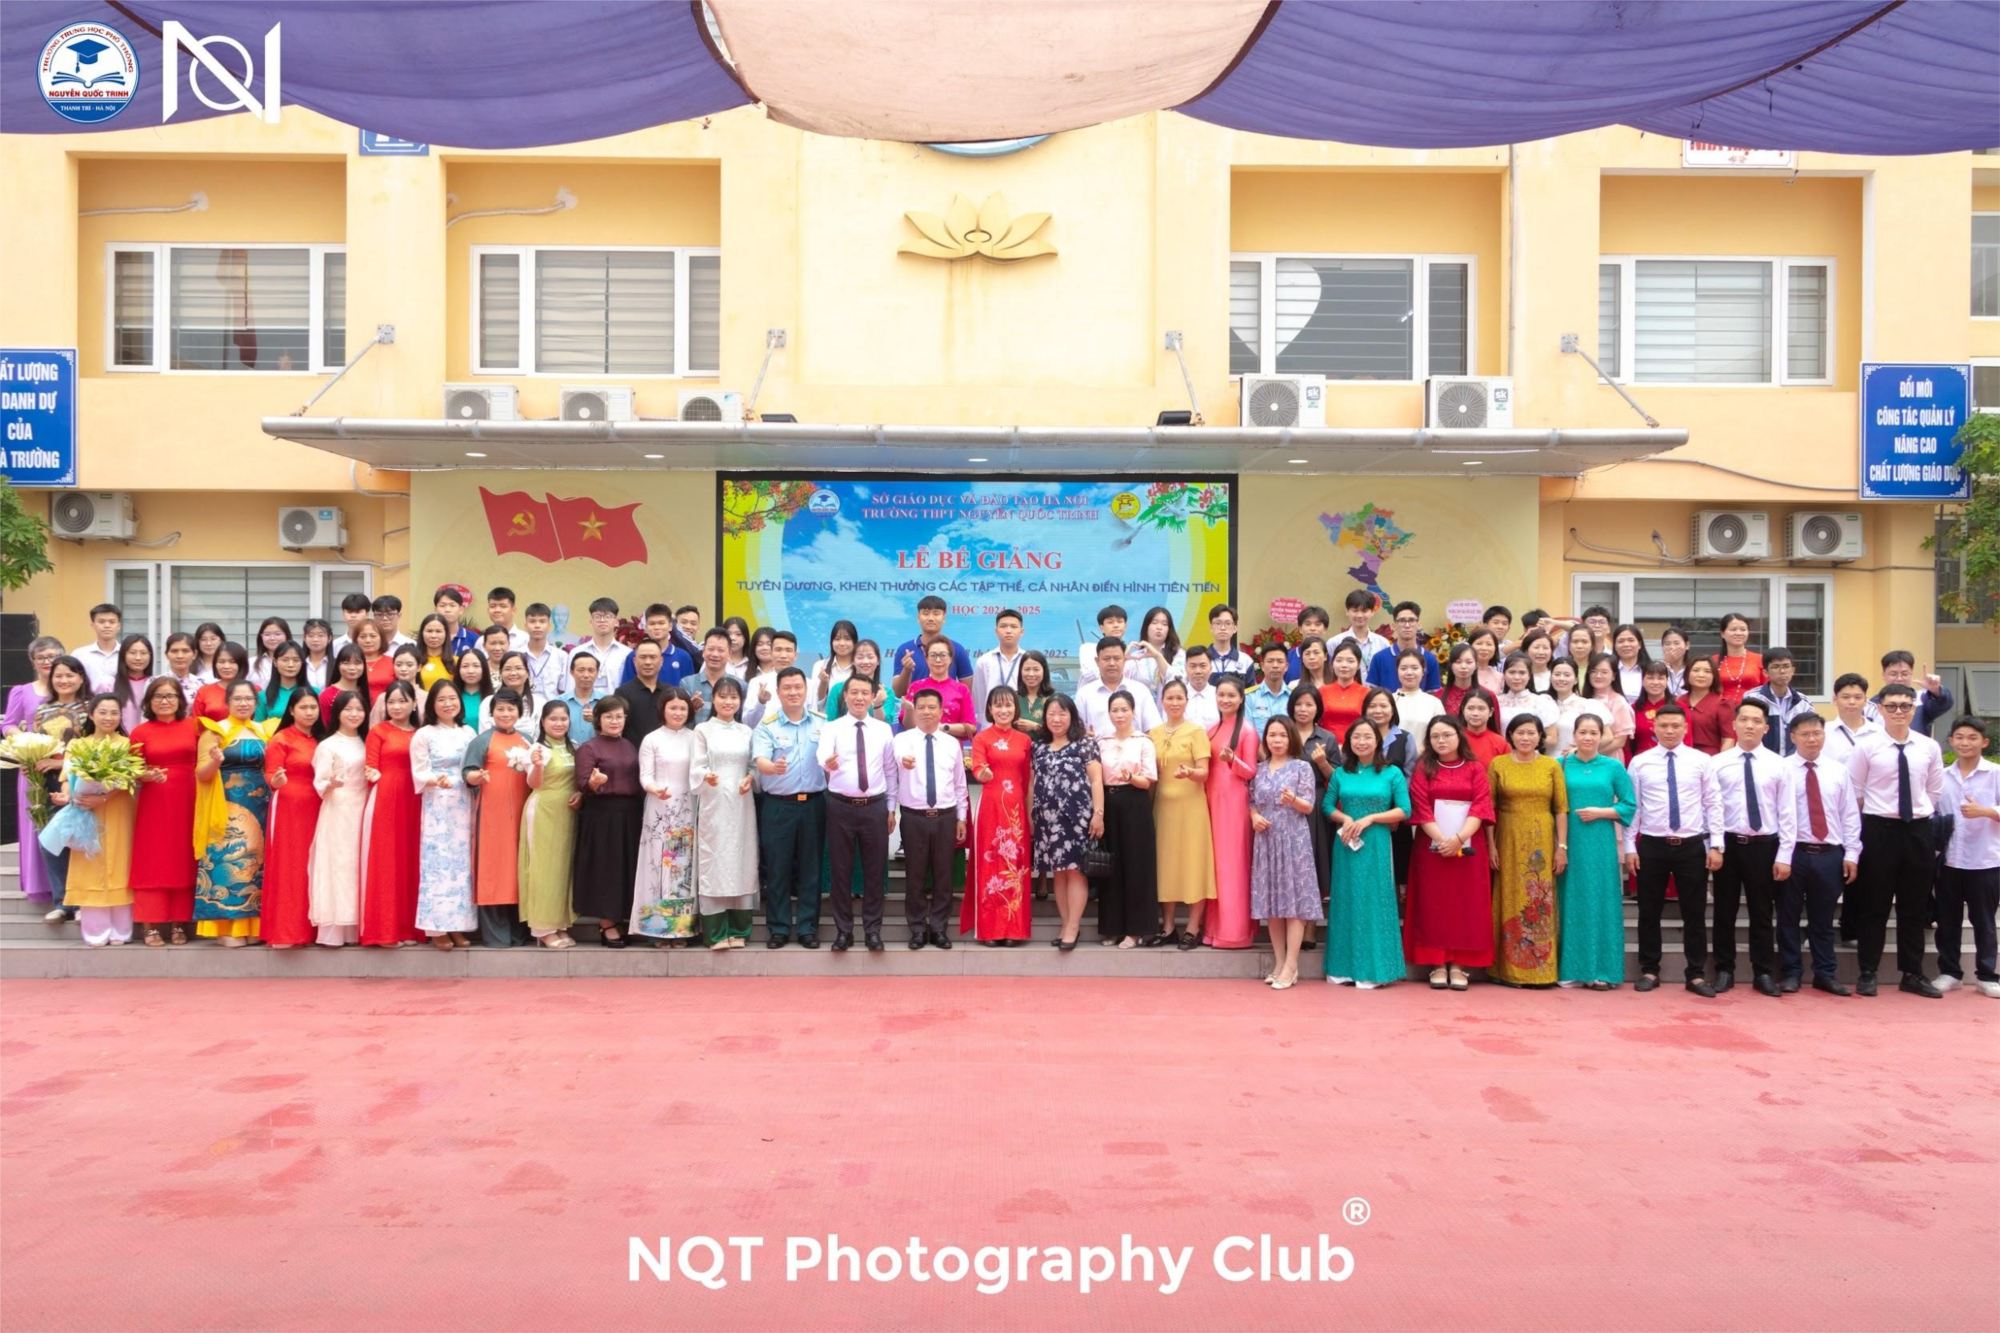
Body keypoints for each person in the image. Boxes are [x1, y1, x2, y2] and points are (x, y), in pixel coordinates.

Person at [1847, 683, 1946, 998]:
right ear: (1880, 709)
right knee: (1873, 905)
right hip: (1879, 830)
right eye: (1891, 706)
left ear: (1914, 709)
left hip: (1917, 830)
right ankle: (1868, 971)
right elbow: (1855, 792)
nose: (1899, 711)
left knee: (1913, 907)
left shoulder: (1928, 747)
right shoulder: (1866, 746)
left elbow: (1933, 790)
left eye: (1905, 705)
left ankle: (1912, 973)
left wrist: (1916, 815)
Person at [1621, 704, 1723, 995]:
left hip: (1691, 845)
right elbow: (1634, 807)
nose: (1669, 731)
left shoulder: (1702, 761)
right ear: (1654, 728)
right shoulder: (1640, 762)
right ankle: (1649, 970)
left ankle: (1696, 974)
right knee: (1648, 911)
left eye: (1675, 726)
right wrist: (1630, 846)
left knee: (1694, 913)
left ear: (1685, 728)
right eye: (1663, 725)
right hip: (1652, 845)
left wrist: (1716, 844)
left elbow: (1713, 802)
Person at [1710, 699, 1794, 997]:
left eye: (1756, 721)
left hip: (1764, 847)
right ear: (1734, 724)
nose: (1749, 725)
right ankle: (1724, 970)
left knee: (1762, 912)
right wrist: (1714, 845)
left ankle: (1763, 972)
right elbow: (1711, 808)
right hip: (1729, 845)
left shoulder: (1779, 764)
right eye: (1744, 719)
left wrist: (1785, 855)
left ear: (1766, 728)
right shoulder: (1717, 763)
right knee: (1724, 911)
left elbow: (1787, 812)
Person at [1406, 715, 1497, 991]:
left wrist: (1458, 839)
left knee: (1466, 904)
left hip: (1468, 847)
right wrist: (1442, 839)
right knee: (1433, 903)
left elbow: (1481, 806)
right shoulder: (1424, 768)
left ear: (1459, 736)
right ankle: (1436, 963)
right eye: (1435, 736)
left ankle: (1459, 964)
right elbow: (1420, 807)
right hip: (1432, 847)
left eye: (1446, 735)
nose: (1441, 741)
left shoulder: (1475, 768)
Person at [1772, 712, 1859, 996]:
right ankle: (1791, 973)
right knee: (1788, 916)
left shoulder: (1838, 771)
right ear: (1793, 737)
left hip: (1829, 854)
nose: (1812, 739)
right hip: (1793, 853)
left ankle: (1825, 973)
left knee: (1823, 919)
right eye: (1805, 734)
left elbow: (1849, 814)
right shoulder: (1782, 769)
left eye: (1817, 733)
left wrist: (1852, 853)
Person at [1322, 717, 1410, 989]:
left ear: (1377, 741)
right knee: (1346, 901)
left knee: (1375, 902)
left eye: (1367, 737)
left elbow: (1404, 810)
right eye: (1356, 737)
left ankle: (1374, 970)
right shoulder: (1341, 773)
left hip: (1377, 844)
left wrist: (1371, 818)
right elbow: (1327, 806)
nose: (1361, 742)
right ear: (1349, 742)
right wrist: (1345, 818)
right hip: (1347, 843)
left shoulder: (1392, 773)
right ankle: (1342, 969)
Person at [193, 679, 279, 947]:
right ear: (227, 702)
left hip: (261, 804)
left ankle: (254, 923)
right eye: (237, 699)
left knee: (256, 864)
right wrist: (215, 762)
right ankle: (225, 926)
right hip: (226, 806)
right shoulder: (214, 731)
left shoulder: (264, 731)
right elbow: (201, 774)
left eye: (248, 699)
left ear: (256, 703)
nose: (243, 703)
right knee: (227, 859)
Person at [1487, 714, 1568, 986]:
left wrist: (1561, 847)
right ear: (1510, 735)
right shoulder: (1498, 764)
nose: (1525, 738)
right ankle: (1507, 970)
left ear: (1540, 737)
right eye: (1520, 732)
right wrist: (1491, 845)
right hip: (1508, 837)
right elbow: (1489, 808)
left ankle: (1539, 969)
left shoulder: (1551, 765)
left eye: (1531, 733)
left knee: (1538, 898)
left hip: (1541, 838)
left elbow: (1561, 808)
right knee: (1509, 895)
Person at [1557, 714, 1635, 989]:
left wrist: (1602, 812)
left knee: (1601, 901)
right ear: (1574, 735)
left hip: (1600, 842)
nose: (1588, 737)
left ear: (1602, 736)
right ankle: (1572, 968)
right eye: (1583, 732)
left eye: (1593, 733)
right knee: (1571, 900)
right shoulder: (1560, 764)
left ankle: (1603, 969)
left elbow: (1629, 804)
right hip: (1568, 841)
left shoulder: (1613, 767)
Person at [819, 672, 896, 952]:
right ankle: (844, 931)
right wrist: (827, 763)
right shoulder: (832, 728)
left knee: (875, 871)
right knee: (840, 872)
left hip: (875, 807)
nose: (859, 697)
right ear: (845, 696)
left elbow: (890, 770)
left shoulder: (883, 730)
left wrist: (891, 808)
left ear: (873, 696)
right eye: (854, 692)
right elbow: (822, 755)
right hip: (840, 806)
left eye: (865, 692)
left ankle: (873, 931)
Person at [52, 695, 136, 945]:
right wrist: (66, 795)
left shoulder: (127, 744)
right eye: (103, 712)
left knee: (120, 861)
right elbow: (67, 777)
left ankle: (122, 930)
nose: (108, 717)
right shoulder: (78, 745)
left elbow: (128, 779)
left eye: (114, 713)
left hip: (119, 809)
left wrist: (105, 797)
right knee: (89, 863)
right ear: (91, 715)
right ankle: (95, 930)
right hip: (86, 811)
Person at [753, 667, 829, 947]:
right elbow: (760, 760)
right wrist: (772, 767)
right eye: (787, 687)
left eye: (798, 687)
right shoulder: (767, 726)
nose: (793, 692)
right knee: (777, 867)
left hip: (814, 804)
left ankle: (808, 928)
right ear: (778, 691)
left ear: (806, 690)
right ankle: (779, 928)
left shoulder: (824, 723)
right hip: (778, 806)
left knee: (811, 868)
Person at [894, 685, 970, 949]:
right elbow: (895, 768)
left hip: (945, 817)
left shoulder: (951, 744)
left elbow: (960, 784)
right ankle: (917, 928)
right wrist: (904, 761)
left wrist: (961, 818)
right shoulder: (902, 740)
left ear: (941, 712)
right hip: (913, 817)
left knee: (943, 876)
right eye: (921, 707)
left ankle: (938, 928)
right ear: (914, 710)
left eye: (932, 707)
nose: (926, 712)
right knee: (914, 875)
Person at [1250, 717, 1322, 991]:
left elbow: (1309, 806)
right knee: (1273, 905)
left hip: (1293, 841)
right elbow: (1252, 801)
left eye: (1282, 735)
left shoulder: (1302, 767)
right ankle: (1279, 962)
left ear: (1291, 738)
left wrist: (1293, 799)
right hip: (1266, 840)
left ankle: (1292, 964)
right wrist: (1254, 817)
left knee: (1294, 904)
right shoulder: (1259, 770)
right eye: (1272, 735)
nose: (1277, 740)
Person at [128, 677, 200, 946]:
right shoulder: (140, 732)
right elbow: (132, 769)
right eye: (158, 696)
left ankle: (180, 922)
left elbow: (204, 759)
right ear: (149, 702)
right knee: (153, 858)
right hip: (155, 801)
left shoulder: (194, 727)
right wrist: (146, 775)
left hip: (189, 797)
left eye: (170, 696)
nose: (165, 701)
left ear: (180, 700)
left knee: (184, 856)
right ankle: (150, 924)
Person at [1031, 695, 1104, 951]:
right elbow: (1031, 784)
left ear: (1072, 716)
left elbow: (1096, 780)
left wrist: (1098, 813)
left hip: (1076, 818)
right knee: (1058, 872)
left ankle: (1074, 926)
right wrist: (1031, 816)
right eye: (1051, 714)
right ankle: (1065, 923)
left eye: (1062, 713)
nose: (1056, 719)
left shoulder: (1084, 744)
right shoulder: (1039, 747)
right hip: (1046, 820)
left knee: (1075, 871)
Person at [690, 677, 758, 948]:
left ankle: (739, 930)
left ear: (740, 701)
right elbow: (696, 766)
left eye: (734, 697)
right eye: (723, 696)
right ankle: (716, 932)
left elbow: (753, 765)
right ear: (714, 699)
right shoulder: (702, 730)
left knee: (742, 859)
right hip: (714, 802)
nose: (728, 702)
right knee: (715, 860)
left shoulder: (747, 731)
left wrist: (750, 778)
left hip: (741, 803)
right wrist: (706, 775)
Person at [573, 694, 645, 948]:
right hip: (603, 816)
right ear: (598, 719)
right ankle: (606, 923)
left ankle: (621, 917)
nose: (614, 721)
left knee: (626, 868)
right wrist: (593, 783)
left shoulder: (629, 745)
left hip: (630, 814)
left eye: (619, 716)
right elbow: (582, 783)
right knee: (606, 869)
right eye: (608, 716)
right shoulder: (589, 748)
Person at [964, 685, 1034, 945]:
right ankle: (989, 930)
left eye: (1008, 705)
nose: (1003, 710)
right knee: (990, 864)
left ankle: (1014, 929)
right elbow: (978, 767)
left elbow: (1027, 780)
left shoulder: (1024, 740)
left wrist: (1029, 814)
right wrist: (982, 774)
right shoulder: (982, 738)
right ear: (990, 709)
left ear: (1015, 708)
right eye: (998, 705)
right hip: (991, 807)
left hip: (1016, 809)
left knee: (1015, 867)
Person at [410, 680, 478, 950]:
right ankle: (436, 927)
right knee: (438, 864)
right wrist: (435, 780)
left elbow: (474, 764)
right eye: (441, 700)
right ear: (432, 705)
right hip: (438, 801)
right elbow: (418, 771)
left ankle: (458, 925)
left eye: (452, 698)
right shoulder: (424, 734)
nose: (448, 704)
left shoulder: (468, 732)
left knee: (462, 865)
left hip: (464, 801)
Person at [460, 688, 530, 947]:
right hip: (492, 816)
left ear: (519, 713)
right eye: (500, 709)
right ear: (491, 713)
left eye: (511, 709)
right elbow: (467, 773)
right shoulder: (482, 741)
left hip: (522, 816)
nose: (505, 713)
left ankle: (519, 932)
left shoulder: (528, 741)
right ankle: (496, 935)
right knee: (494, 869)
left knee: (518, 870)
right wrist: (475, 777)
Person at [1149, 679, 1216, 948]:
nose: (1174, 702)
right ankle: (1167, 927)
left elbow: (1204, 772)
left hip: (1191, 809)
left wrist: (1190, 773)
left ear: (1187, 701)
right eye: (1170, 698)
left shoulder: (1196, 732)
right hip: (1163, 808)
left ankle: (1192, 926)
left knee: (1193, 863)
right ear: (1162, 701)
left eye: (1179, 698)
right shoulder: (1153, 733)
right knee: (1165, 865)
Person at [1936, 717, 2000, 998]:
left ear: (1984, 742)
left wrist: (1986, 811)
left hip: (1985, 860)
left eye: (1972, 737)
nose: (1965, 743)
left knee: (1984, 921)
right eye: (1959, 737)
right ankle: (1950, 973)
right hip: (1949, 860)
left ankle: (1986, 976)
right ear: (1951, 741)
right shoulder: (1941, 776)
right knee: (1947, 921)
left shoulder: (1995, 774)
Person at [632, 688, 700, 946]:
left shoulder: (695, 738)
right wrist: (654, 789)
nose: (678, 713)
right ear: (662, 710)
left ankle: (680, 930)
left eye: (682, 708)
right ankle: (657, 930)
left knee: (681, 869)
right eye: (673, 708)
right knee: (658, 866)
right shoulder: (651, 739)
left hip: (686, 807)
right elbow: (645, 775)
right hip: (659, 808)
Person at [360, 680, 423, 947]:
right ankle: (384, 930)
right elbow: (370, 766)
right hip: (386, 797)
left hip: (415, 798)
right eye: (391, 702)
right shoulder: (378, 731)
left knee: (411, 861)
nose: (396, 707)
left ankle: (408, 928)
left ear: (414, 704)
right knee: (386, 860)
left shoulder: (421, 733)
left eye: (402, 701)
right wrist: (372, 774)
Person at [259, 690, 323, 949]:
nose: (309, 712)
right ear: (292, 710)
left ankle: (312, 929)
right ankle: (286, 931)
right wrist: (275, 781)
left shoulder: (320, 739)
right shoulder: (281, 739)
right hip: (289, 807)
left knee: (313, 866)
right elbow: (270, 773)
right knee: (290, 866)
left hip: (318, 807)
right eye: (303, 707)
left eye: (313, 707)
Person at [5, 636, 65, 910]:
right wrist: (26, 742)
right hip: (33, 767)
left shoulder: (67, 689)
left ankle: (65, 887)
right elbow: (8, 724)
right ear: (32, 661)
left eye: (52, 656)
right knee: (36, 823)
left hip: (63, 766)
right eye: (41, 657)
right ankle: (40, 885)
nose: (46, 661)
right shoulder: (22, 691)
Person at [308, 689, 369, 947]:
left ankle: (359, 926)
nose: (354, 714)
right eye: (348, 709)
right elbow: (320, 782)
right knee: (338, 865)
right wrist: (330, 784)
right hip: (338, 809)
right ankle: (335, 929)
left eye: (359, 709)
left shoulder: (368, 740)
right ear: (337, 713)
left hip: (364, 806)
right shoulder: (328, 745)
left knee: (359, 864)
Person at [519, 699, 581, 948]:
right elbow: (533, 784)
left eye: (563, 718)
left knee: (562, 869)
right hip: (543, 811)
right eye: (553, 719)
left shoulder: (574, 746)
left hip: (568, 813)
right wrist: (536, 766)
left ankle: (560, 923)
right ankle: (542, 928)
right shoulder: (537, 749)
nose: (559, 723)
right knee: (542, 869)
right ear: (543, 722)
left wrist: (581, 793)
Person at [1291, 687, 1340, 922]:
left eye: (1309, 704)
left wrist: (1322, 763)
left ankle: (1310, 926)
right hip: (1286, 802)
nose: (1303, 709)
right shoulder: (1283, 732)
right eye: (1299, 704)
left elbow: (1337, 777)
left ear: (1318, 709)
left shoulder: (1327, 738)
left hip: (1315, 801)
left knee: (1314, 860)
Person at [1076, 637, 1163, 739]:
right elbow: (1076, 731)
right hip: (1097, 748)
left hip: (1135, 748)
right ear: (1097, 661)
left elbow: (1154, 730)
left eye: (1117, 659)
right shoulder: (1084, 694)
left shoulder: (1140, 691)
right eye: (1106, 659)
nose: (1112, 663)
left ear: (1125, 660)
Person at [890, 594, 975, 695]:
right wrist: (907, 670)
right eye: (925, 613)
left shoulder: (957, 649)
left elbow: (967, 691)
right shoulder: (904, 650)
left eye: (936, 613)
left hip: (948, 705)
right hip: (913, 705)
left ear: (944, 617)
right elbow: (898, 693)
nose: (931, 618)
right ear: (918, 617)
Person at [895, 638, 977, 740]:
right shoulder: (915, 687)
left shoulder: (961, 689)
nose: (938, 660)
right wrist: (909, 710)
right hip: (919, 745)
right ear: (926, 659)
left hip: (951, 747)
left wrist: (943, 727)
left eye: (943, 655)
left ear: (950, 658)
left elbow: (971, 727)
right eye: (933, 655)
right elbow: (908, 726)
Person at [1744, 647, 1813, 757]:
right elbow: (1746, 732)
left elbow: (1808, 733)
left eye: (1786, 666)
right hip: (1761, 760)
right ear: (1765, 672)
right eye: (1776, 667)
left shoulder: (1803, 702)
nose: (1782, 671)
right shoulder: (1752, 698)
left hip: (1793, 762)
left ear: (1793, 670)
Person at [1866, 650, 1955, 732]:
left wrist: (1936, 690)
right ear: (1883, 675)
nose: (1899, 678)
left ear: (1912, 675)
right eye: (1893, 674)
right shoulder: (1871, 704)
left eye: (1904, 674)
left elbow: (1944, 704)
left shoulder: (1922, 698)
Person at [1366, 602, 1440, 691]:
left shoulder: (1430, 659)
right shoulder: (1379, 658)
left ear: (1419, 625)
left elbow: (1433, 694)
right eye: (1402, 621)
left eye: (1411, 620)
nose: (1407, 625)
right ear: (1394, 626)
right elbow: (1372, 692)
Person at [618, 603, 694, 688]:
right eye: (652, 624)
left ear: (670, 626)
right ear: (645, 627)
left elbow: (689, 690)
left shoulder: (683, 657)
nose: (657, 627)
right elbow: (626, 690)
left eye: (661, 623)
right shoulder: (634, 656)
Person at [616, 639, 675, 747]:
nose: (648, 662)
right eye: (643, 657)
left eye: (653, 657)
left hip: (665, 753)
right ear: (634, 661)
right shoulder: (622, 693)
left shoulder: (670, 692)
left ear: (661, 661)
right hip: (632, 754)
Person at [1580, 653, 1637, 763]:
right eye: (1594, 671)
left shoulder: (1618, 701)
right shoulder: (1583, 699)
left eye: (1604, 672)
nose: (1598, 676)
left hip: (1608, 759)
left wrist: (1590, 756)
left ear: (1614, 676)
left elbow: (1619, 742)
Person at [972, 609, 1030, 718]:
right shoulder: (984, 661)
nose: (1008, 631)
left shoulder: (1029, 660)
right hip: (992, 722)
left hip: (1023, 720)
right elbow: (979, 699)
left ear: (1022, 632)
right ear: (996, 631)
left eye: (1013, 627)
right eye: (1003, 626)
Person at [1496, 653, 1559, 750]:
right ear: (1504, 674)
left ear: (1529, 675)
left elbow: (1552, 739)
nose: (1516, 677)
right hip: (1501, 753)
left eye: (1522, 673)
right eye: (1512, 672)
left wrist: (1526, 743)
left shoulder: (1541, 702)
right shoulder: (1496, 701)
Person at [567, 597, 631, 691]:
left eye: (608, 616)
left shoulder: (626, 653)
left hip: (615, 700)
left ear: (616, 622)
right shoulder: (577, 652)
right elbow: (570, 687)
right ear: (591, 622)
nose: (602, 620)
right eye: (597, 616)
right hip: (585, 701)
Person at [1326, 589, 1393, 676]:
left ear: (1372, 612)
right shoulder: (1334, 643)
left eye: (1364, 611)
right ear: (1347, 611)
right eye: (1355, 610)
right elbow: (1329, 673)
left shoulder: (1383, 643)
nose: (1359, 615)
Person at [742, 630, 799, 730]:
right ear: (771, 653)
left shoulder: (808, 684)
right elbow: (748, 724)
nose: (783, 655)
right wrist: (761, 703)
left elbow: (813, 721)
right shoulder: (757, 683)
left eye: (788, 650)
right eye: (778, 650)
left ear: (795, 655)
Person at [1821, 672, 1881, 767]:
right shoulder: (1823, 732)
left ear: (1865, 701)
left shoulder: (1880, 732)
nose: (1852, 702)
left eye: (1858, 697)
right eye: (1846, 697)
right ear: (1835, 700)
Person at [1125, 606, 1183, 699]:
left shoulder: (1179, 654)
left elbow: (1179, 679)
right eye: (1154, 623)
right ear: (1146, 627)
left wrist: (1157, 656)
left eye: (1164, 624)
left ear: (1169, 629)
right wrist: (1122, 659)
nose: (1159, 627)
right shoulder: (1136, 657)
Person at [1317, 642, 1370, 744]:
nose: (1344, 665)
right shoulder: (1321, 692)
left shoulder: (1367, 693)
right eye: (1339, 660)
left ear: (1358, 665)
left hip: (1358, 746)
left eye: (1350, 661)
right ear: (1332, 663)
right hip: (1326, 746)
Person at [1711, 613, 1766, 710]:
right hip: (1719, 711)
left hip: (1752, 711)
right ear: (1722, 634)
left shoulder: (1760, 659)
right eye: (1733, 629)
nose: (1738, 633)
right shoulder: (1712, 661)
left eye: (1743, 629)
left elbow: (1767, 690)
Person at [680, 628, 736, 723]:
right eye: (711, 649)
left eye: (721, 650)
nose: (715, 654)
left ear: (729, 654)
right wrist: (691, 709)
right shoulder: (687, 683)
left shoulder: (739, 685)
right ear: (703, 652)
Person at [1243, 641, 1295, 738]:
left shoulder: (1294, 697)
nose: (1275, 665)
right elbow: (1247, 734)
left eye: (1280, 661)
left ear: (1286, 667)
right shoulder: (1249, 697)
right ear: (1262, 666)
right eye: (1270, 661)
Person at [1677, 657, 1727, 755]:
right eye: (1696, 670)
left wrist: (1720, 761)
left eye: (1707, 671)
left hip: (1710, 757)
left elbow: (1728, 740)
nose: (1701, 675)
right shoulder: (1677, 701)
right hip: (1679, 756)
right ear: (1687, 674)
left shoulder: (1722, 703)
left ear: (1714, 676)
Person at [192, 643, 250, 722]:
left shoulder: (254, 690)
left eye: (232, 662)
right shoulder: (204, 691)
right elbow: (196, 722)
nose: (226, 666)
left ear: (242, 664)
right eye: (221, 662)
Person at [520, 603, 567, 702]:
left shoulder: (561, 656)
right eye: (532, 621)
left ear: (549, 625)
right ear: (525, 625)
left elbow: (564, 690)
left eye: (542, 621)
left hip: (552, 708)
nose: (537, 626)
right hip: (523, 708)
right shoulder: (516, 655)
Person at [811, 620, 859, 714]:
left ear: (854, 642)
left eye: (847, 639)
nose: (842, 643)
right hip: (827, 720)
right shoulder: (820, 666)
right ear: (831, 642)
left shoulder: (860, 667)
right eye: (837, 639)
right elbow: (818, 704)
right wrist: (823, 683)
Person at [253, 642, 307, 725]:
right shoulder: (263, 696)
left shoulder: (314, 693)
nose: (291, 665)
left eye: (296, 660)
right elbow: (258, 726)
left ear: (302, 663)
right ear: (275, 662)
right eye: (285, 660)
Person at [1077, 604, 1129, 689]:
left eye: (1119, 621)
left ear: (1125, 626)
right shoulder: (1088, 649)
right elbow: (1091, 675)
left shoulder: (1130, 653)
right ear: (1102, 628)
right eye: (1110, 622)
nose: (1116, 625)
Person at [554, 651, 602, 742]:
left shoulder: (606, 702)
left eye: (591, 670)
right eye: (581, 670)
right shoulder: (558, 702)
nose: (586, 675)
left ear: (597, 673)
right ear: (571, 672)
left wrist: (596, 721)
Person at [111, 635, 155, 733]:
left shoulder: (154, 684)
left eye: (143, 653)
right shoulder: (109, 684)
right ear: (123, 655)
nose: (138, 658)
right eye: (132, 653)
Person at [75, 604, 124, 693]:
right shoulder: (79, 655)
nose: (107, 626)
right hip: (88, 701)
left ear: (119, 626)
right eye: (101, 622)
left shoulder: (126, 654)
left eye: (112, 622)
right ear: (92, 625)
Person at [1630, 661, 1675, 758]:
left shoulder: (1679, 708)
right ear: (1642, 681)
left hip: (1672, 759)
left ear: (1667, 681)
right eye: (1650, 678)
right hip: (1642, 760)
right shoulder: (1634, 708)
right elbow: (1628, 743)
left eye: (1660, 678)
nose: (1655, 682)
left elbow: (1687, 740)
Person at [1457, 689, 1508, 767]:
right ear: (1463, 709)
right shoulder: (1455, 738)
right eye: (1470, 708)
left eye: (1481, 709)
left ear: (1491, 712)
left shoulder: (1500, 743)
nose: (1475, 713)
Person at [246, 616, 293, 691]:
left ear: (286, 635)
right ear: (261, 637)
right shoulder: (250, 663)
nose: (272, 638)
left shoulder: (295, 662)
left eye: (277, 634)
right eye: (267, 634)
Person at [1015, 651, 1055, 734]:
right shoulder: (1012, 698)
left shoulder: (1054, 699)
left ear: (1044, 671)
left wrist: (1035, 727)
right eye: (1027, 669)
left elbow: (1062, 729)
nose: (1031, 674)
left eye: (1036, 670)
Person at [1436, 642, 1480, 717]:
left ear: (1476, 665)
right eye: (1458, 662)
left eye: (1469, 662)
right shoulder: (1438, 696)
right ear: (1450, 665)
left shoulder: (1488, 694)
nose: (1463, 666)